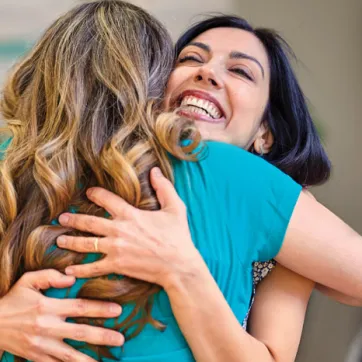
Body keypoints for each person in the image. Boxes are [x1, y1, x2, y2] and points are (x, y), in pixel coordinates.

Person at [0, 4, 360, 362]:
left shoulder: (261, 195)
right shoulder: (47, 168)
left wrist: (180, 267)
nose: (207, 73)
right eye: (189, 59)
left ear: (265, 135)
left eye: (240, 71)